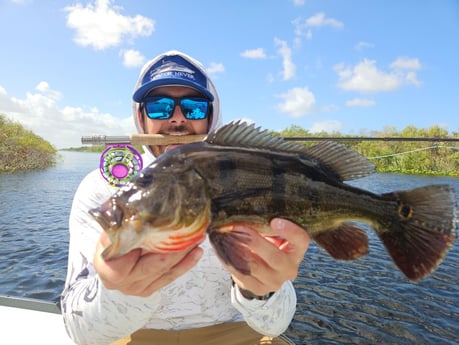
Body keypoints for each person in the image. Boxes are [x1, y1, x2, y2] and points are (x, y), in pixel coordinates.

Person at [61, 50, 311, 345]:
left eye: (193, 108)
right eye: (159, 106)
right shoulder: (104, 191)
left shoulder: (248, 183)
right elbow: (81, 333)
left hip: (239, 335)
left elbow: (276, 323)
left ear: (211, 118)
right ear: (140, 117)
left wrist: (260, 290)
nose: (177, 120)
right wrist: (120, 293)